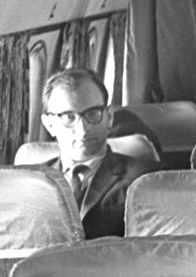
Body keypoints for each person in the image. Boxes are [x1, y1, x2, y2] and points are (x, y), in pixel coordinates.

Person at [34, 68, 160, 238]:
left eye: (93, 114)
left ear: (109, 118)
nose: (83, 129)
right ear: (49, 125)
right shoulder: (33, 182)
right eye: (69, 117)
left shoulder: (145, 178)